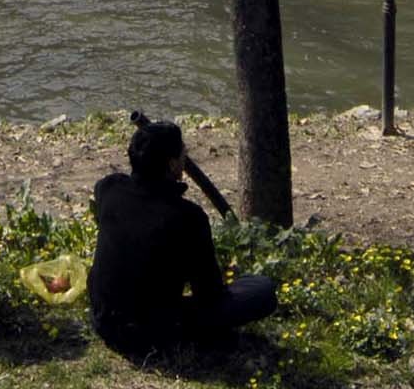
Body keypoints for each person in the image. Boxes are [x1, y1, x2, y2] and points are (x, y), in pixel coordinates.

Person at [87, 117, 278, 358]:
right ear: (171, 165)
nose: (185, 156)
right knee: (262, 290)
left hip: (103, 319)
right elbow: (209, 294)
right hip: (151, 333)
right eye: (182, 152)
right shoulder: (187, 217)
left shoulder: (109, 188)